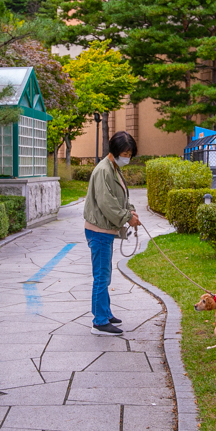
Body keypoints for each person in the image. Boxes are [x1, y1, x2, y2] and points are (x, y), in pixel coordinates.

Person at [83, 131, 140, 336]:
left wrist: (130, 210)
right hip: (98, 231)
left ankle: (105, 313)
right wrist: (127, 217)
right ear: (115, 151)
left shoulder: (113, 168)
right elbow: (107, 203)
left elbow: (119, 196)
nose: (128, 157)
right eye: (125, 153)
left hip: (104, 230)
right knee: (101, 277)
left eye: (130, 153)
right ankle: (99, 322)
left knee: (104, 276)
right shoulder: (103, 170)